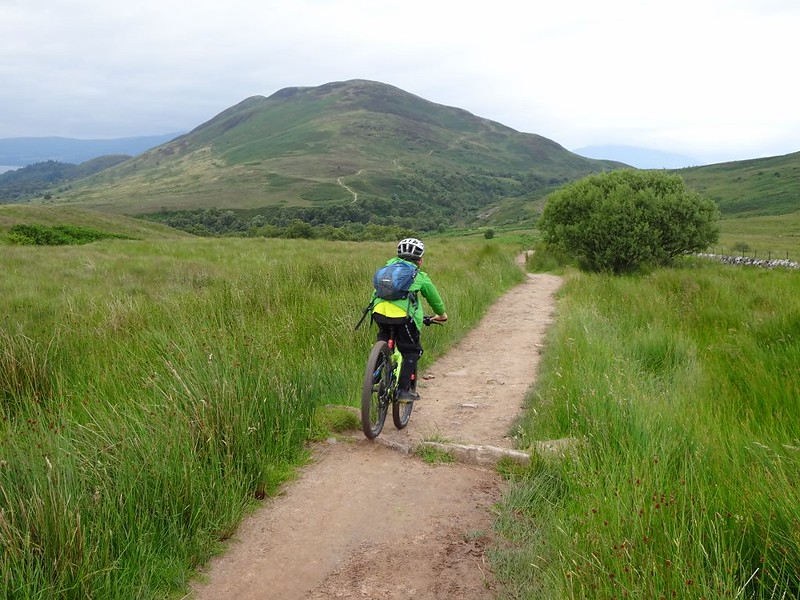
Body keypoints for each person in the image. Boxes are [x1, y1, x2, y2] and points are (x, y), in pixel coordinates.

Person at [371, 237, 448, 402]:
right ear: (420, 260)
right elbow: (435, 300)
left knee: (384, 338)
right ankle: (403, 391)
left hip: (378, 313)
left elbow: (376, 294)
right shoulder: (419, 276)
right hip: (403, 318)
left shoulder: (386, 270)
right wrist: (441, 315)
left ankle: (374, 375)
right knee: (412, 351)